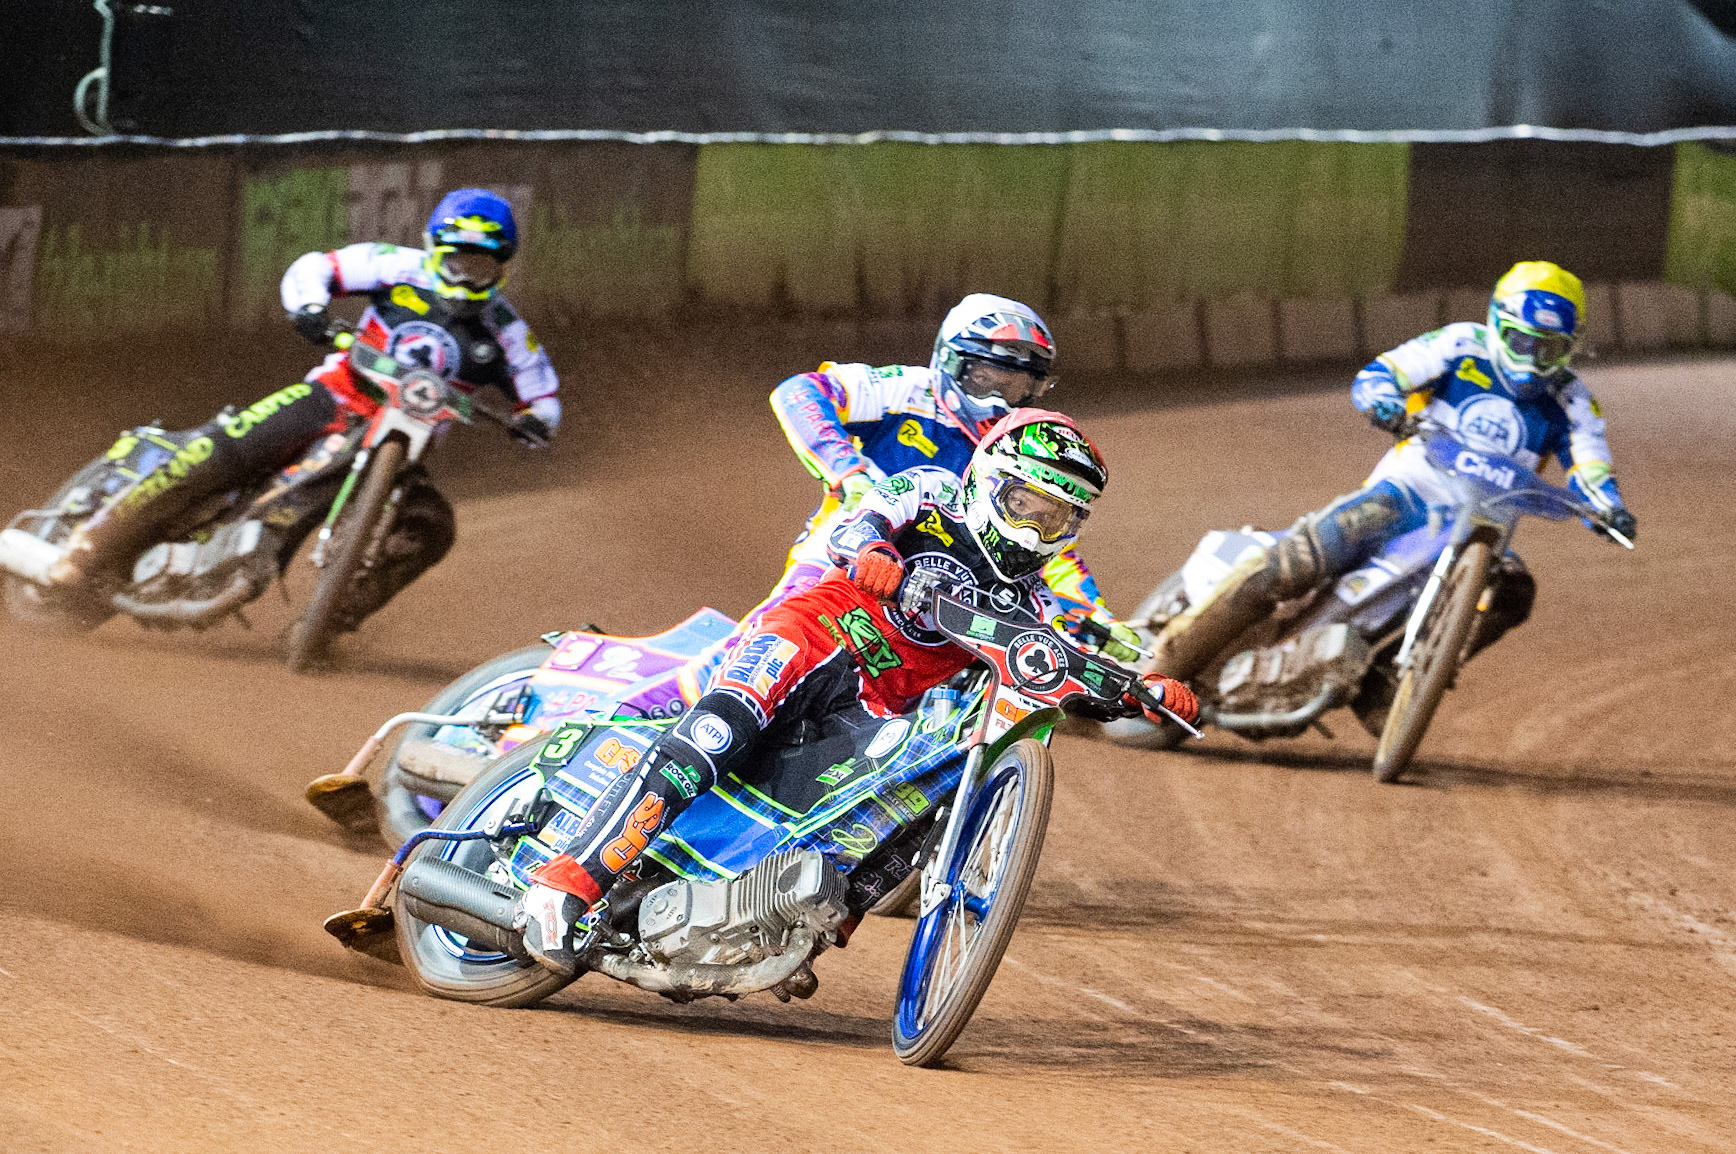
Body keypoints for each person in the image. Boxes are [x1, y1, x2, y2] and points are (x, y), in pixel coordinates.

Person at [516, 410, 1200, 975]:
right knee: (715, 736)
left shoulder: (1036, 601)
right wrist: (874, 554)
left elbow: (1066, 663)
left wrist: (1141, 693)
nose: (1037, 527)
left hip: (874, 706)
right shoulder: (931, 491)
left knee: (907, 800)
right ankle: (568, 882)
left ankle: (795, 918)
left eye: (1057, 517)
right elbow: (859, 523)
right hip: (817, 632)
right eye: (1027, 503)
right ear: (992, 481)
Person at [45, 188, 559, 627]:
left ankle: (333, 620)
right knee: (227, 445)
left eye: (482, 265)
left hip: (406, 447)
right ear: (434, 250)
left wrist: (535, 420)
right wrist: (311, 307)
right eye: (457, 261)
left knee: (432, 527)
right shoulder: (396, 266)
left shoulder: (507, 332)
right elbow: (317, 267)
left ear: (502, 265)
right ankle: (93, 543)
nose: (467, 275)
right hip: (336, 396)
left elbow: (542, 393)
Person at [1150, 260, 1636, 685]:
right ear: (1497, 324)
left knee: (1511, 594)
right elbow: (1385, 373)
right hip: (1408, 493)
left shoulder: (1573, 399)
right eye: (1521, 341)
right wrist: (1383, 400)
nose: (1531, 361)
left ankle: (1392, 687)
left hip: (1482, 529)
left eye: (1547, 350)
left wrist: (1608, 508)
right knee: (1298, 561)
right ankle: (1162, 667)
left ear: (1568, 350)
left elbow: (1591, 465)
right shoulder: (1461, 343)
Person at [678, 292, 1143, 700]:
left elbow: (1047, 546)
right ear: (951, 360)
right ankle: (691, 699)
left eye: (1017, 386)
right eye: (986, 378)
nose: (1000, 400)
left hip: (953, 581)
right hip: (856, 544)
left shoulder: (1015, 448)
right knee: (772, 636)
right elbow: (799, 393)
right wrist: (848, 473)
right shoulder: (909, 388)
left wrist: (1097, 618)